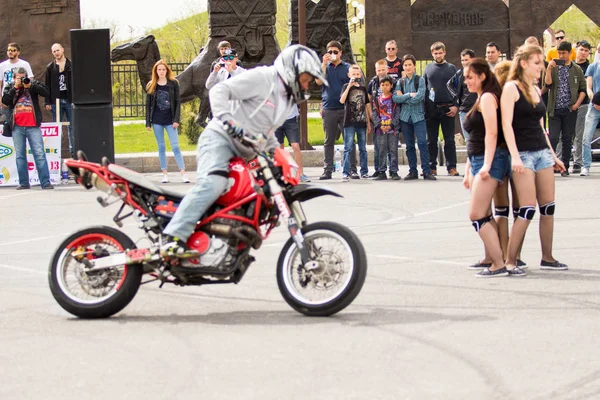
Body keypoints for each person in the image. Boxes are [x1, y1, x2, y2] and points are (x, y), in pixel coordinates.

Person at [160, 45, 327, 256]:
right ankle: (173, 237)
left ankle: (228, 238)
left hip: (245, 149)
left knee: (254, 195)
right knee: (214, 182)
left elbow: (266, 136)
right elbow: (220, 90)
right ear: (292, 71)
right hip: (220, 138)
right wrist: (227, 120)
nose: (307, 83)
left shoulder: (284, 101)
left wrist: (282, 159)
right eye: (305, 77)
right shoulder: (263, 78)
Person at [501, 44, 567, 273]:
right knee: (527, 209)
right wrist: (515, 156)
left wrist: (552, 154)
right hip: (523, 155)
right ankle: (510, 261)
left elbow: (541, 127)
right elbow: (506, 125)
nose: (541, 67)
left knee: (548, 207)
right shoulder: (511, 88)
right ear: (523, 63)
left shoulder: (535, 89)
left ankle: (547, 257)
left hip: (542, 153)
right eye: (537, 63)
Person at [461, 59, 511, 277]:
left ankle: (499, 263)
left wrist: (487, 165)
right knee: (485, 213)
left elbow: (492, 133)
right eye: (465, 77)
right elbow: (476, 136)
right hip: (478, 159)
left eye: (470, 77)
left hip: (489, 160)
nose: (467, 82)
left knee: (476, 214)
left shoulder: (489, 98)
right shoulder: (481, 97)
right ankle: (491, 257)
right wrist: (468, 169)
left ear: (482, 76)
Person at [1, 67, 53, 190]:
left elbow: (46, 92)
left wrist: (31, 85)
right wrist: (15, 88)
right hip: (17, 126)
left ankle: (45, 182)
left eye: (23, 76)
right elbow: (5, 101)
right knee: (20, 155)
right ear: (14, 78)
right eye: (18, 77)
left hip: (33, 125)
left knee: (39, 154)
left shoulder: (32, 84)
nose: (22, 79)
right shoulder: (10, 87)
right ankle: (24, 182)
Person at [544, 41, 585, 177]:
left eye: (563, 53)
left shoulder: (576, 69)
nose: (561, 56)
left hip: (569, 109)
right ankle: (550, 164)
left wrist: (576, 104)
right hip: (554, 108)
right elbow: (548, 84)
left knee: (567, 138)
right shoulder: (554, 67)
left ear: (569, 53)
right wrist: (549, 69)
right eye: (559, 53)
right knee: (554, 137)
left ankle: (565, 166)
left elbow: (582, 89)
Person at [317, 41, 357, 180]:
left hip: (345, 108)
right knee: (329, 141)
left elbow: (355, 83)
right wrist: (323, 64)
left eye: (335, 52)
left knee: (349, 139)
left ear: (340, 52)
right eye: (330, 52)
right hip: (329, 108)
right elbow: (318, 82)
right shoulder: (325, 67)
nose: (333, 54)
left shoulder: (347, 67)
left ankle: (352, 168)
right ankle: (327, 170)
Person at [145, 60, 189, 184]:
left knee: (175, 146)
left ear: (167, 70)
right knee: (161, 147)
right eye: (159, 69)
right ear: (156, 71)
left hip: (170, 120)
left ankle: (183, 173)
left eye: (163, 69)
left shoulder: (174, 83)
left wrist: (176, 119)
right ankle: (165, 174)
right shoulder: (151, 84)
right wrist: (148, 122)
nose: (161, 72)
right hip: (157, 120)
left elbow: (178, 102)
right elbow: (148, 105)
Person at [394, 54, 436, 181]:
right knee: (409, 145)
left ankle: (427, 170)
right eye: (405, 65)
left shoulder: (420, 80)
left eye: (409, 65)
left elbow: (420, 97)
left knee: (423, 143)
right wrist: (408, 95)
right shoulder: (400, 82)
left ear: (414, 66)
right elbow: (395, 98)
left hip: (418, 116)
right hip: (405, 117)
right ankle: (413, 171)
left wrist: (405, 98)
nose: (407, 67)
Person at [423, 42, 460, 176]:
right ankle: (431, 167)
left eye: (440, 53)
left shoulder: (452, 68)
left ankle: (452, 167)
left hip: (448, 108)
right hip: (432, 109)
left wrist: (456, 106)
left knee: (449, 140)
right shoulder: (428, 69)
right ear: (432, 54)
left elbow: (458, 89)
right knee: (431, 140)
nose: (438, 55)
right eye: (435, 53)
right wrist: (425, 108)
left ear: (444, 52)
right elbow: (424, 89)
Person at [339, 64, 370, 181]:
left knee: (363, 148)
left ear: (360, 75)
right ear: (349, 75)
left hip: (361, 122)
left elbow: (366, 105)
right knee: (348, 148)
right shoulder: (346, 86)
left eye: (357, 74)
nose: (355, 76)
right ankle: (346, 172)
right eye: (353, 74)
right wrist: (349, 87)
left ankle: (364, 171)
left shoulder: (363, 88)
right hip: (349, 122)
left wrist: (368, 121)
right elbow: (342, 100)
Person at [44, 43, 73, 158]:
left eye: (58, 50)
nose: (56, 53)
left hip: (69, 99)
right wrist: (47, 101)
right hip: (56, 101)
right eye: (54, 51)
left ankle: (73, 152)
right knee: (57, 126)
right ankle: (57, 153)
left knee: (72, 126)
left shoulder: (71, 64)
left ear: (62, 50)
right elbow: (47, 85)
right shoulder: (50, 67)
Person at [371, 75, 400, 180]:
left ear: (391, 86)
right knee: (381, 150)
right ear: (379, 86)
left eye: (387, 85)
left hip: (393, 130)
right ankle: (381, 171)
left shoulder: (394, 99)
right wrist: (379, 125)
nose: (385, 87)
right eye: (382, 85)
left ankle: (394, 171)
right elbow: (374, 114)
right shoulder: (377, 100)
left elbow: (397, 113)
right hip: (381, 130)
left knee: (393, 150)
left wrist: (392, 125)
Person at [571, 40, 592, 174]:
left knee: (579, 134)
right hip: (567, 104)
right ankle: (562, 159)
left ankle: (577, 162)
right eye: (581, 49)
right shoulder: (569, 65)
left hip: (583, 104)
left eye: (586, 51)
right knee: (565, 134)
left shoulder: (590, 67)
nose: (583, 53)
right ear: (576, 50)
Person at [447, 49, 477, 142]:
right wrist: (456, 98)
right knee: (468, 139)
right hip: (464, 110)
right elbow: (449, 84)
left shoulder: (480, 72)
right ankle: (470, 156)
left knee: (479, 138)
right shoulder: (460, 73)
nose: (464, 62)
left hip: (478, 110)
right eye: (462, 60)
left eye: (466, 60)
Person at [274, 104, 311, 182]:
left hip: (290, 119)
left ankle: (300, 174)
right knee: (280, 149)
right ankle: (281, 174)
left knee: (296, 146)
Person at [367, 59, 390, 178]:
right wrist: (370, 115)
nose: (381, 72)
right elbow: (368, 100)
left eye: (383, 70)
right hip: (377, 117)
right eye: (378, 70)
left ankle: (392, 169)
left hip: (389, 117)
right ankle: (378, 169)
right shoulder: (373, 83)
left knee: (391, 146)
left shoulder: (393, 82)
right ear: (376, 71)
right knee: (377, 146)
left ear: (387, 70)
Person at [0, 43, 34, 123]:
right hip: (7, 98)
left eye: (13, 50)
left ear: (18, 52)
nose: (10, 52)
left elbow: (31, 79)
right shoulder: (2, 66)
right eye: (8, 50)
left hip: (22, 98)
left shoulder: (24, 64)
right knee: (7, 123)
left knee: (22, 122)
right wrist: (0, 100)